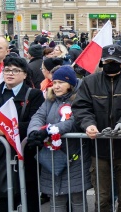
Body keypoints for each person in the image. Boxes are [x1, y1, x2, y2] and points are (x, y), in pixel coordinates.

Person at [71, 44, 121, 212]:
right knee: (102, 197)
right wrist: (88, 124)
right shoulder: (89, 82)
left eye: (114, 61)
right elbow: (81, 107)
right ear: (102, 62)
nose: (110, 64)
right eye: (107, 61)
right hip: (99, 150)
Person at [0, 56, 44, 212]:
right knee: (4, 198)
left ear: (25, 74)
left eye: (15, 70)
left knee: (28, 196)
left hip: (24, 154)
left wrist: (5, 130)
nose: (10, 73)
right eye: (7, 70)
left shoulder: (33, 95)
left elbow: (35, 123)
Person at [26, 66, 91, 212]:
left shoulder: (80, 99)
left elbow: (74, 121)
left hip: (75, 158)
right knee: (56, 198)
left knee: (77, 199)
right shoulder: (49, 101)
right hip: (52, 158)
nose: (56, 86)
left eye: (60, 82)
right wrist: (34, 132)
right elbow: (38, 117)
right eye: (54, 82)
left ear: (70, 84)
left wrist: (49, 131)